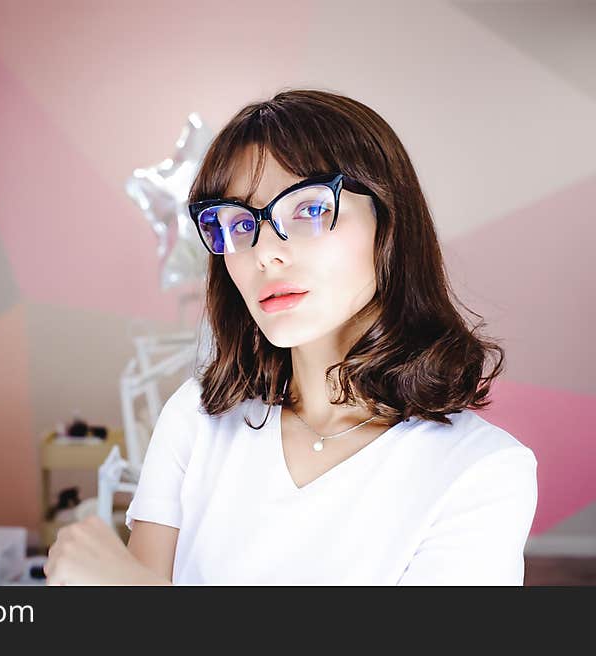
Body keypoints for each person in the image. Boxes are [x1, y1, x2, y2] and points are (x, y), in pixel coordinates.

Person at [43, 89, 538, 586]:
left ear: (390, 223)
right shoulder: (197, 419)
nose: (263, 254)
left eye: (307, 210)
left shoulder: (484, 471)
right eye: (237, 223)